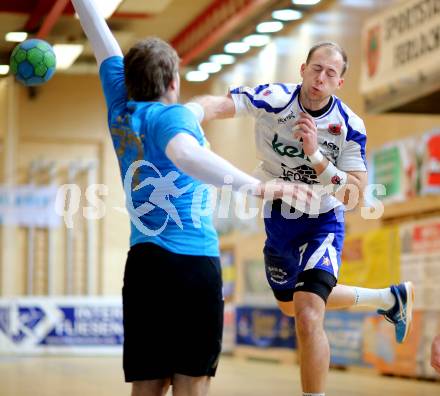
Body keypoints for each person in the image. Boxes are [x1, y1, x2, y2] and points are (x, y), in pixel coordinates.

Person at [71, 1, 313, 395]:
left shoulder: (121, 105)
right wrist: (257, 187)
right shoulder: (173, 116)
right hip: (192, 265)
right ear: (172, 83)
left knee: (146, 388)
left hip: (145, 266)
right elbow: (185, 154)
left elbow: (95, 27)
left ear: (128, 78)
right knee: (192, 385)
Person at [191, 42, 414, 396]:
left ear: (339, 82)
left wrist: (316, 156)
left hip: (322, 220)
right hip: (278, 217)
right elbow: (219, 104)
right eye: (316, 69)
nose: (320, 78)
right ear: (302, 69)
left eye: (330, 73)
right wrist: (185, 115)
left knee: (310, 313)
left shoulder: (349, 125)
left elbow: (354, 194)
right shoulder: (274, 98)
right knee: (290, 306)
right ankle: (387, 299)